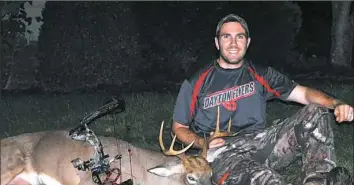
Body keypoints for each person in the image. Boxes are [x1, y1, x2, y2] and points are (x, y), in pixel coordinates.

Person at [171, 14, 354, 185]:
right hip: (221, 154)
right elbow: (179, 128)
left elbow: (304, 93)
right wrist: (203, 142)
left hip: (260, 143)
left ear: (248, 42)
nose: (233, 43)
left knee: (317, 111)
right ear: (217, 43)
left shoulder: (260, 74)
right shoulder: (197, 81)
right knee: (268, 180)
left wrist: (335, 103)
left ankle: (319, 180)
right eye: (226, 37)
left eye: (240, 37)